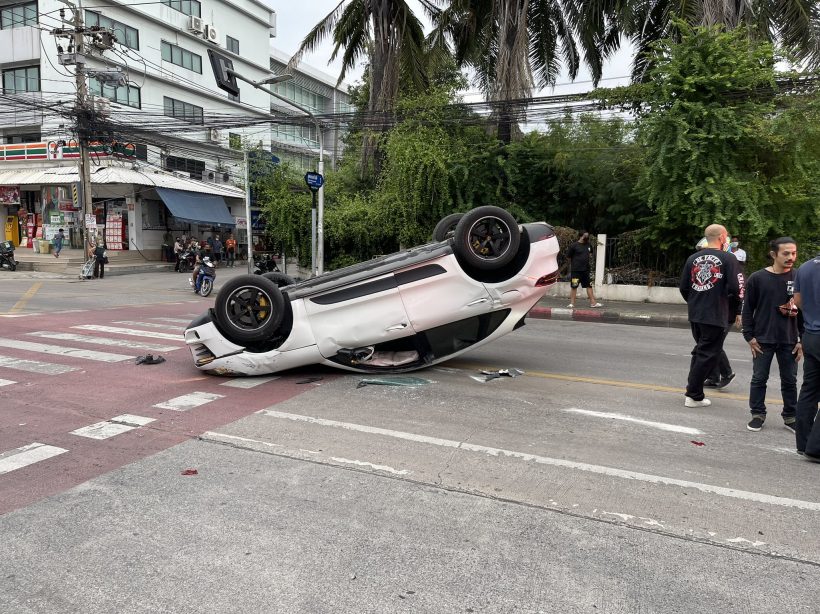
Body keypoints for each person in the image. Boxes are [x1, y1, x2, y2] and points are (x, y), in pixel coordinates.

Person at [742, 238, 803, 432]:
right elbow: (747, 309)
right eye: (786, 253)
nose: (791, 257)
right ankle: (757, 414)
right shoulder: (757, 278)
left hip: (790, 340)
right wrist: (749, 336)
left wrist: (803, 340)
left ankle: (790, 417)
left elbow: (806, 310)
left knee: (790, 380)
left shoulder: (799, 277)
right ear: (773, 254)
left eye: (793, 253)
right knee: (759, 378)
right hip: (763, 339)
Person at [679, 224, 742, 407]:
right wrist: (734, 307)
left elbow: (684, 287)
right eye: (727, 236)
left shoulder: (692, 258)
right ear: (722, 237)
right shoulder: (728, 259)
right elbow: (737, 288)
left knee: (700, 351)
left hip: (696, 312)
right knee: (708, 354)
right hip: (715, 312)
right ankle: (693, 395)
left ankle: (693, 388)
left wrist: (695, 301)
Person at [794, 251, 820, 461]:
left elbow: (798, 300)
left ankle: (803, 443)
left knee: (810, 389)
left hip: (811, 334)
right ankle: (816, 447)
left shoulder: (806, 267)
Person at [566, 231, 602, 309]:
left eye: (587, 236)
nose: (587, 237)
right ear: (581, 236)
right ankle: (572, 304)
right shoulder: (574, 246)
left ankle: (593, 303)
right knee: (574, 286)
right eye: (585, 236)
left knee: (588, 286)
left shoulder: (589, 245)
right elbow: (568, 257)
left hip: (585, 270)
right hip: (576, 271)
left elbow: (590, 254)